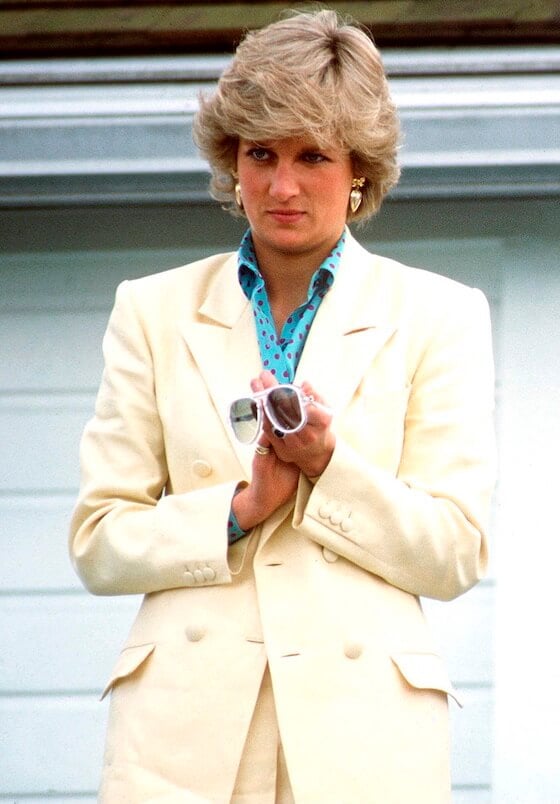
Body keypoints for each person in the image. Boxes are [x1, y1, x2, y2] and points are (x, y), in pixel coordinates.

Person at [68, 10, 495, 802]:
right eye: (260, 154)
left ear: (361, 169)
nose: (282, 185)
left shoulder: (441, 313)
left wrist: (328, 467)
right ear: (231, 161)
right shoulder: (150, 310)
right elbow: (99, 540)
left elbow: (455, 552)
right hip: (181, 743)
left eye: (313, 157)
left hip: (362, 743)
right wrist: (237, 508)